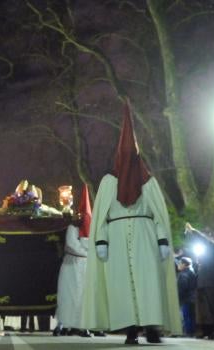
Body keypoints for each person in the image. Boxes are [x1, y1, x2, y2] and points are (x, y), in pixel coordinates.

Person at [81, 103, 181, 345]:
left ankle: (153, 327)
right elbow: (102, 215)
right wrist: (101, 239)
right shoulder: (108, 182)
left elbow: (158, 215)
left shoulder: (148, 183)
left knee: (149, 282)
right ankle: (130, 329)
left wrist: (162, 239)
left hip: (145, 236)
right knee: (121, 284)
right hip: (115, 238)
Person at [54, 185, 92, 337]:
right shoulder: (72, 227)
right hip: (72, 265)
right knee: (70, 295)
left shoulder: (91, 229)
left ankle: (83, 326)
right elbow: (72, 244)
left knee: (84, 296)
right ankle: (65, 324)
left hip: (85, 266)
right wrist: (87, 253)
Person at [177, 257, 197, 337]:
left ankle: (188, 332)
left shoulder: (183, 274)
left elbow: (182, 287)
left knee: (186, 316)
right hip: (193, 297)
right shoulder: (192, 272)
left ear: (184, 264)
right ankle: (192, 331)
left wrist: (179, 297)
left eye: (179, 263)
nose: (178, 265)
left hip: (186, 298)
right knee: (192, 316)